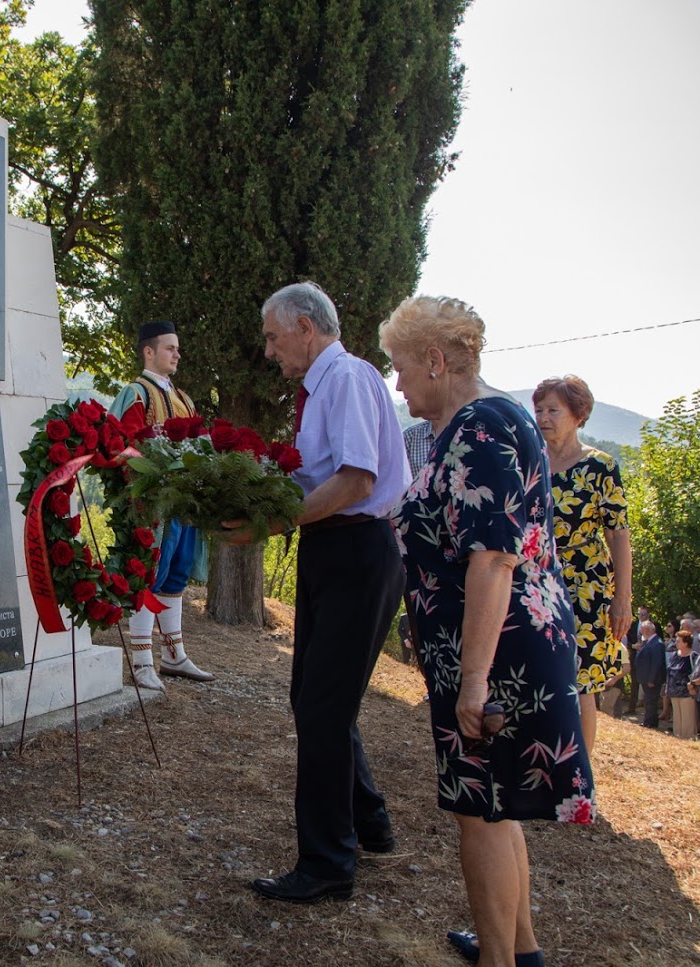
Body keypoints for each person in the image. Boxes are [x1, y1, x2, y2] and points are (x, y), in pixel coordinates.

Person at [379, 295, 591, 967]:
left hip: (499, 653)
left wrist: (473, 678)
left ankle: (502, 960)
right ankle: (517, 947)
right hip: (495, 645)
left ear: (437, 361)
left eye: (402, 366)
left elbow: (494, 556)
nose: (399, 382)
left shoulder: (482, 424)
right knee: (493, 803)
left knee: (482, 808)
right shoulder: (477, 423)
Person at [232, 281, 408, 904]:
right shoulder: (323, 387)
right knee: (315, 696)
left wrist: (271, 522)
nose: (271, 352)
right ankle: (370, 824)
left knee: (323, 708)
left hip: (358, 549)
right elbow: (319, 474)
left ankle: (329, 861)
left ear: (306, 327)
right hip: (333, 549)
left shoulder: (349, 379)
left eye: (275, 338)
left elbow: (357, 480)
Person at [108, 320, 214, 689]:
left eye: (177, 348)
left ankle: (173, 655)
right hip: (152, 504)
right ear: (148, 351)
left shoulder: (185, 399)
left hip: (183, 504)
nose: (177, 353)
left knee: (175, 578)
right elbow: (119, 446)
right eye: (170, 347)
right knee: (148, 575)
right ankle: (141, 661)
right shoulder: (136, 393)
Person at [533, 376, 632, 753]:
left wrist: (622, 598)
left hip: (585, 587)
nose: (543, 417)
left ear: (578, 415)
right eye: (539, 409)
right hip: (534, 582)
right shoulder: (530, 459)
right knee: (536, 675)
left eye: (553, 410)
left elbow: (619, 535)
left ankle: (580, 779)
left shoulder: (600, 466)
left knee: (581, 683)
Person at [633, 620, 667, 728]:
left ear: (648, 630)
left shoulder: (657, 643)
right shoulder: (649, 642)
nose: (641, 632)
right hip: (645, 677)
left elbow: (656, 663)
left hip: (652, 679)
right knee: (649, 700)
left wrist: (652, 679)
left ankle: (649, 722)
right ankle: (651, 721)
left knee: (651, 700)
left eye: (642, 630)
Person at [665, 630, 698, 740]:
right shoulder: (675, 655)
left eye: (679, 641)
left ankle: (688, 740)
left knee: (687, 719)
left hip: (687, 693)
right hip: (674, 691)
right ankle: (677, 739)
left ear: (686, 643)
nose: (676, 643)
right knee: (677, 719)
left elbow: (696, 673)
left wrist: (693, 686)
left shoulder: (693, 656)